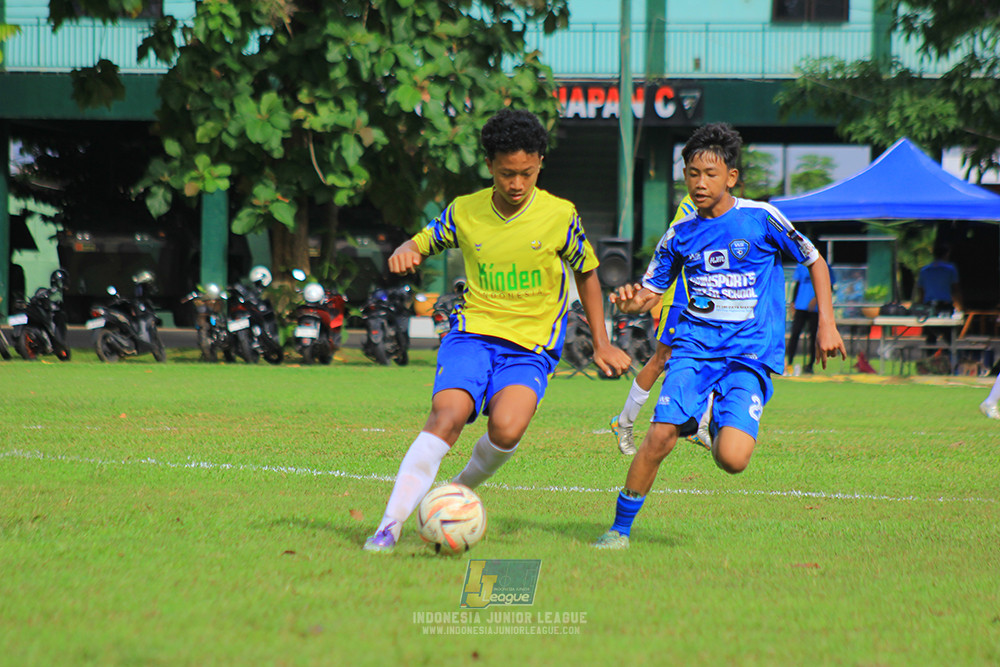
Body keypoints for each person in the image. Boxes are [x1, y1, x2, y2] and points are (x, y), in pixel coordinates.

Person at [363, 108, 631, 552]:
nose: (517, 184)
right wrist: (407, 248)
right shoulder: (464, 211)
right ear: (489, 165)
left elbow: (587, 273)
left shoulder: (560, 215)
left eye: (526, 173)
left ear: (540, 163)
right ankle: (387, 528)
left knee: (507, 430)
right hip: (473, 334)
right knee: (446, 416)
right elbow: (424, 239)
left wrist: (601, 343)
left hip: (531, 347)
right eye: (507, 174)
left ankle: (453, 493)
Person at [593, 122, 846, 550]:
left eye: (710, 174)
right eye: (692, 173)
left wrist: (826, 323)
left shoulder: (761, 218)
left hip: (750, 354)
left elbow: (814, 260)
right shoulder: (680, 234)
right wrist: (630, 300)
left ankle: (704, 416)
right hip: (695, 349)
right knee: (659, 437)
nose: (700, 182)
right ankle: (618, 530)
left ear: (731, 176)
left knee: (732, 459)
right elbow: (649, 293)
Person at [608, 194, 712, 455]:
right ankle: (624, 422)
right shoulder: (692, 201)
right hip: (683, 293)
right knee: (661, 359)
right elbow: (680, 238)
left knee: (717, 355)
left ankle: (702, 425)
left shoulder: (732, 203)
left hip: (712, 296)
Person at [786, 256, 837, 375]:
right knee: (795, 334)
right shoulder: (801, 265)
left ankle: (810, 365)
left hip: (815, 308)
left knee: (814, 337)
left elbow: (829, 287)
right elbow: (797, 284)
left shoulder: (824, 267)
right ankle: (789, 363)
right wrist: (793, 302)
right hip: (801, 305)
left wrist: (816, 299)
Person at [915, 245, 963, 347]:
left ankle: (929, 357)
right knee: (949, 335)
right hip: (944, 305)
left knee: (931, 335)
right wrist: (960, 305)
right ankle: (951, 356)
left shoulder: (925, 270)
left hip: (928, 306)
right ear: (947, 254)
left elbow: (921, 290)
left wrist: (920, 304)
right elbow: (955, 289)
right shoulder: (950, 269)